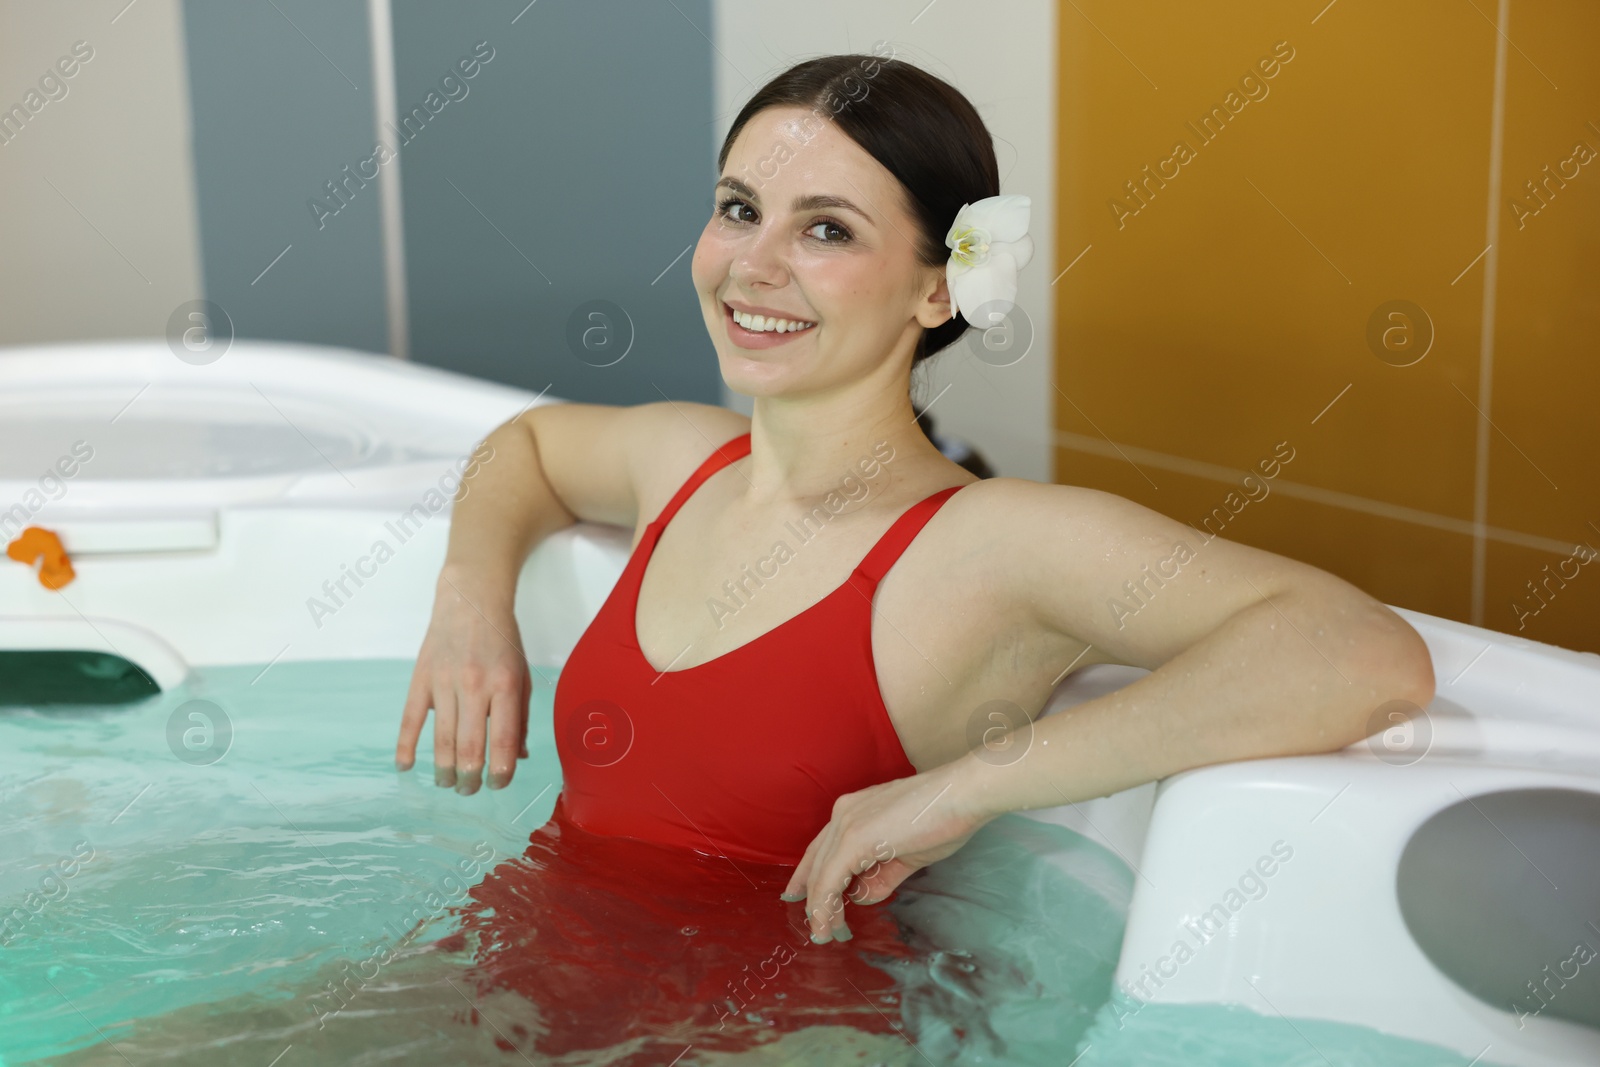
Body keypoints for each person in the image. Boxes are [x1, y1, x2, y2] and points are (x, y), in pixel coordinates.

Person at [396, 50, 1433, 966]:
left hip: (764, 1037)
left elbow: (1359, 655)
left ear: (938, 291)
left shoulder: (985, 543)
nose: (753, 264)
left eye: (827, 231)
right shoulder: (685, 460)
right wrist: (470, 596)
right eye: (740, 207)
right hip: (511, 967)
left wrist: (970, 782)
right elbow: (521, 445)